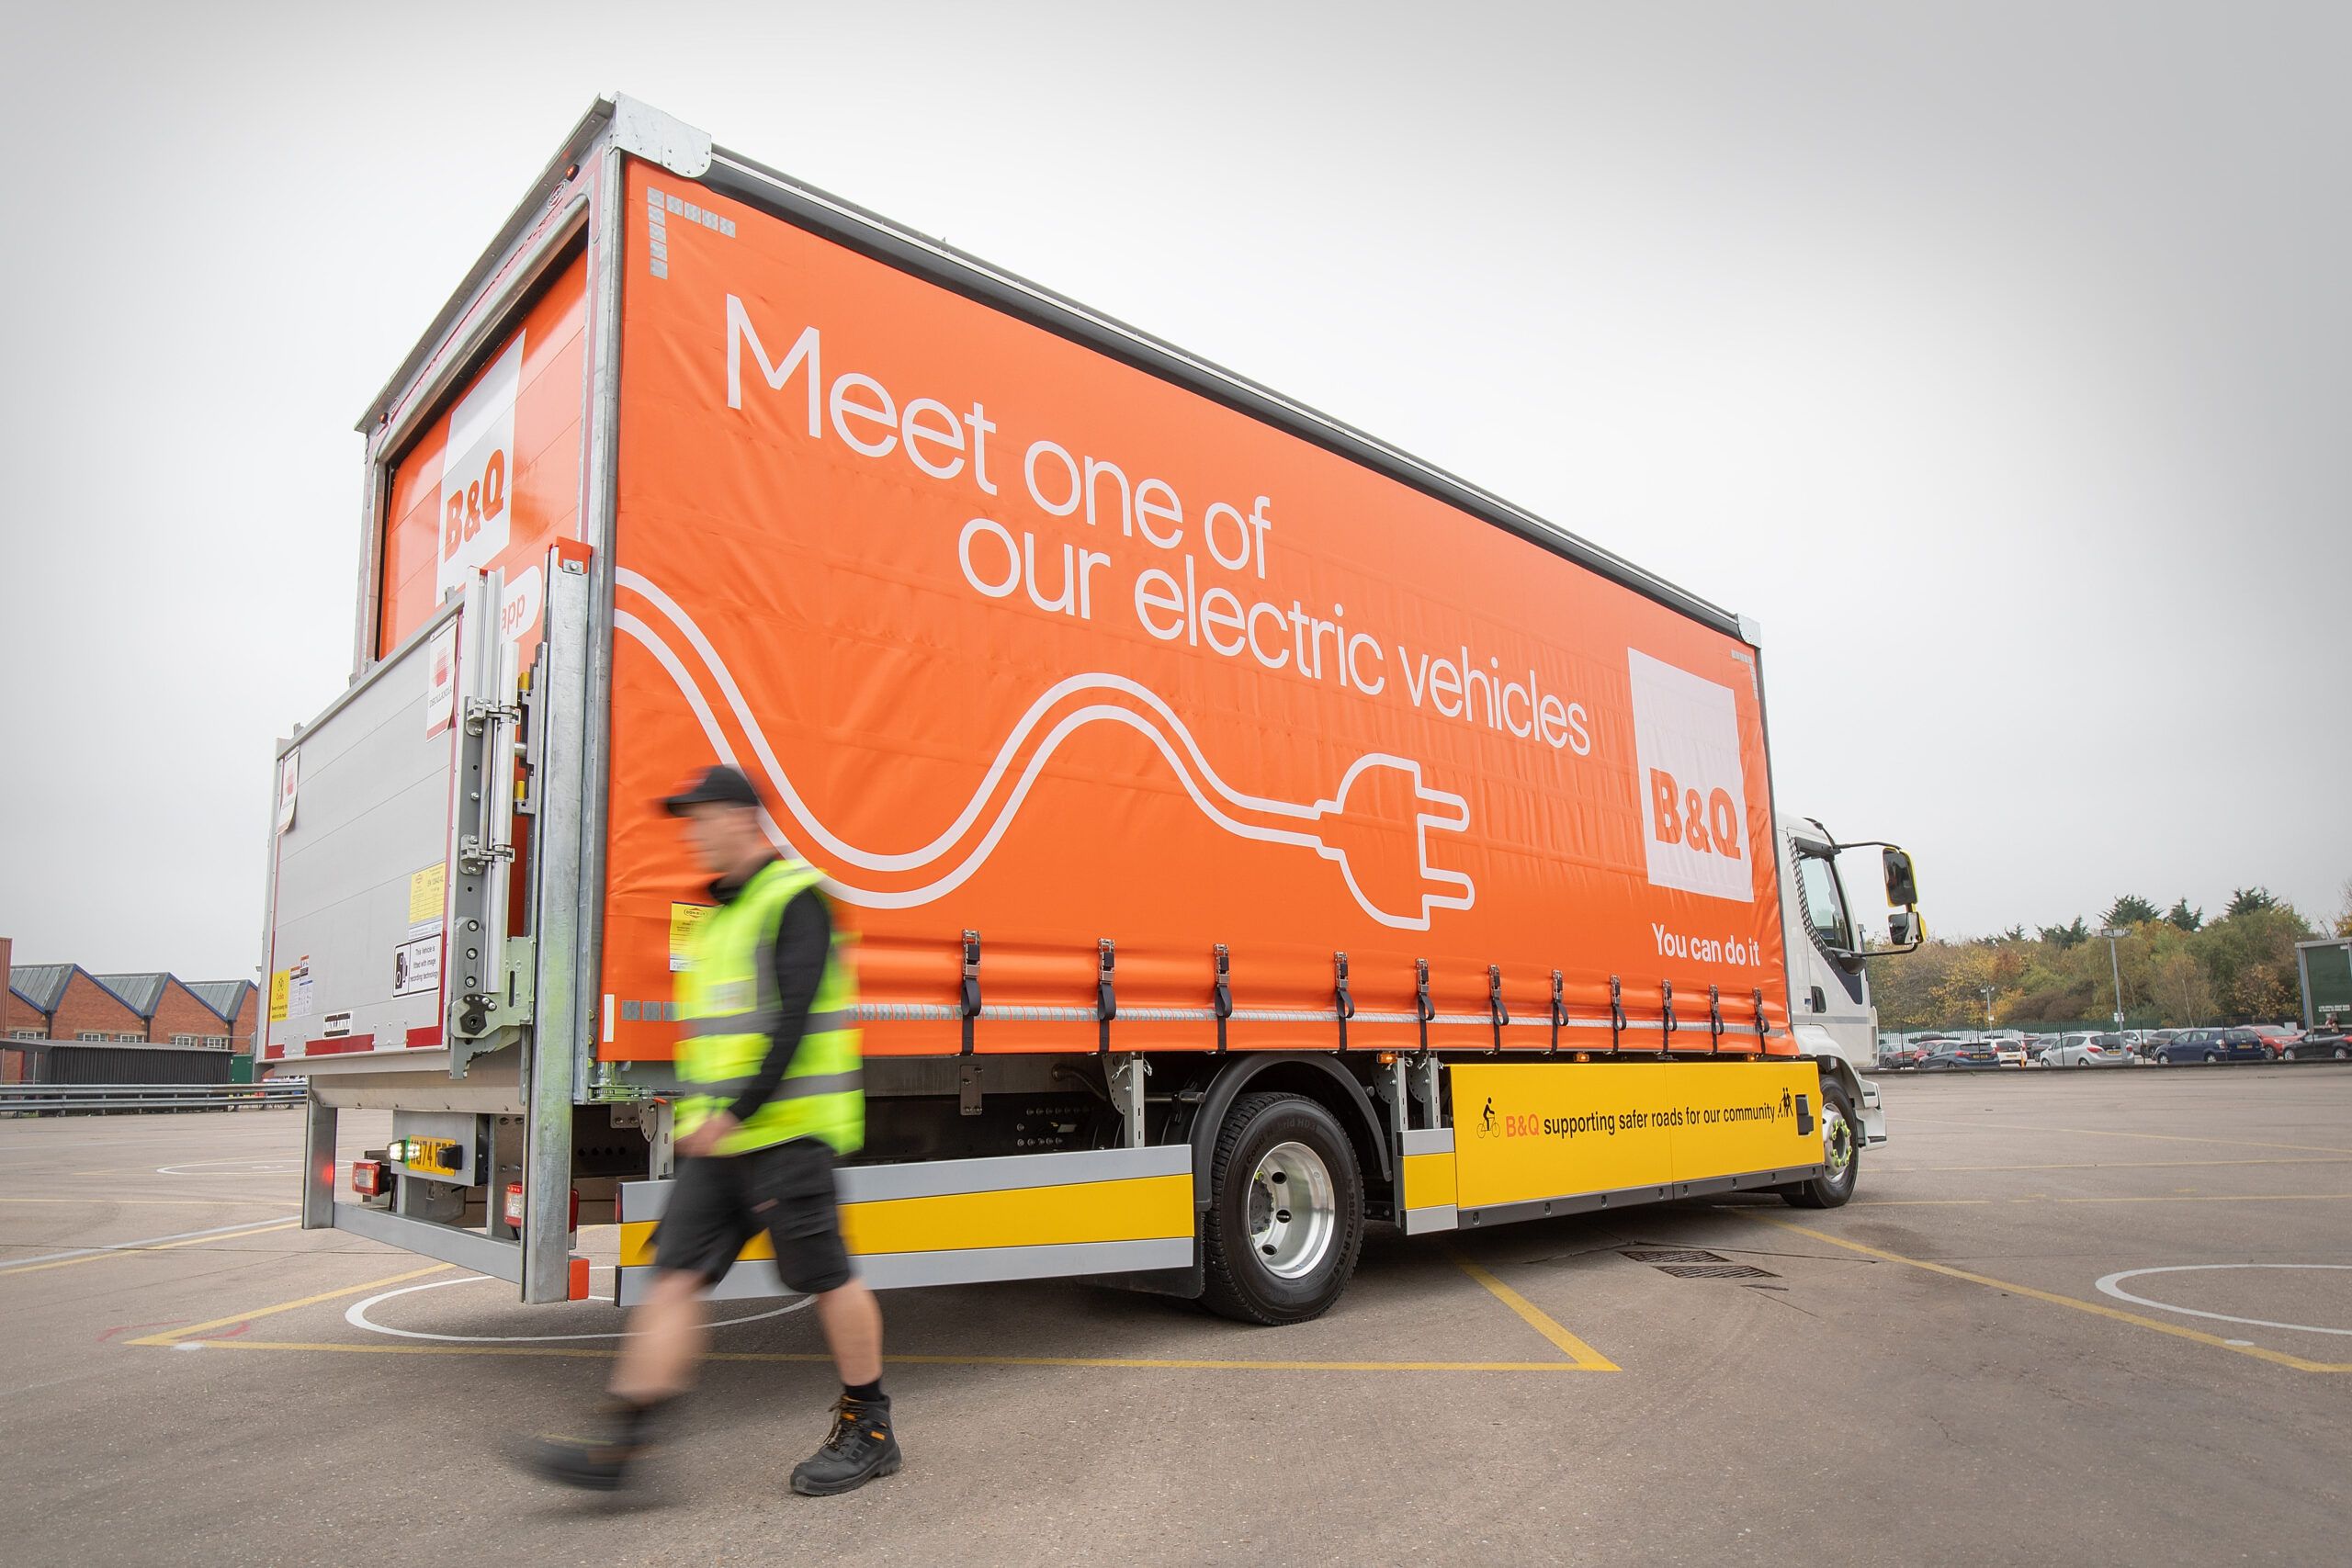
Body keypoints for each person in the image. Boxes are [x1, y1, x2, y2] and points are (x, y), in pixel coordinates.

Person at [525, 763, 898, 1496]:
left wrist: (738, 1111)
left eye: (702, 817)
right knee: (673, 1279)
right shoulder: (722, 918)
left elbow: (792, 1024)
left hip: (787, 1131)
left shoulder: (795, 899)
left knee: (825, 1277)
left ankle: (871, 1427)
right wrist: (708, 1120)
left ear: (741, 818)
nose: (693, 831)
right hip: (719, 1143)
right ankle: (622, 1446)